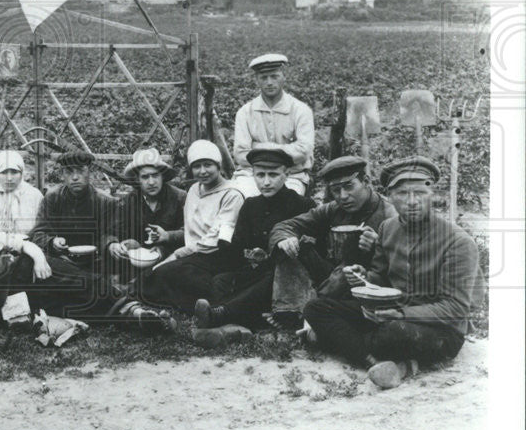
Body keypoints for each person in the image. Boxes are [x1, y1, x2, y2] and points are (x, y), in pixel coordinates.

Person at [304, 157, 485, 390]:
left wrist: (399, 314)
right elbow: (380, 279)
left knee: (390, 333)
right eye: (402, 193)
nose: (412, 202)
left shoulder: (457, 241)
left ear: (433, 194)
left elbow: (455, 308)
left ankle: (341, 342)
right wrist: (364, 278)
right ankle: (376, 362)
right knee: (315, 308)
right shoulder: (388, 228)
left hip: (439, 329)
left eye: (420, 192)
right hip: (391, 311)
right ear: (390, 196)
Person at [0, 193, 172, 331]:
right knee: (66, 305)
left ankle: (134, 313)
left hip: (20, 277)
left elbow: (21, 242)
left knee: (71, 284)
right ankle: (134, 312)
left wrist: (37, 258)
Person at [192, 146, 315, 342]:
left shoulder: (303, 205)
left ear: (287, 174)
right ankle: (236, 327)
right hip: (254, 271)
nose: (266, 182)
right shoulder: (251, 205)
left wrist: (273, 253)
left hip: (285, 280)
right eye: (260, 175)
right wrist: (245, 252)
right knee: (221, 281)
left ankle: (220, 317)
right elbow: (239, 244)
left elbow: (308, 251)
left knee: (267, 283)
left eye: (273, 174)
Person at [266, 155, 397, 327]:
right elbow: (285, 226)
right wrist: (285, 238)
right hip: (330, 275)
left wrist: (378, 247)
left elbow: (403, 265)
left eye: (349, 186)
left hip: (365, 284)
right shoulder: (334, 209)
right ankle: (289, 312)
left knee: (349, 266)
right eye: (336, 189)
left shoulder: (390, 215)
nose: (343, 196)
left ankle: (307, 313)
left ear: (365, 181)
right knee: (289, 247)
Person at [140, 140, 245, 313]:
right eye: (197, 166)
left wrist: (177, 255)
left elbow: (215, 238)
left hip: (219, 254)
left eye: (208, 165)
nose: (202, 171)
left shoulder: (232, 194)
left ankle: (208, 302)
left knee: (168, 273)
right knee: (155, 274)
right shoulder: (194, 190)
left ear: (218, 166)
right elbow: (191, 231)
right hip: (194, 254)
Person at [232, 54, 314, 197]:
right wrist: (284, 150)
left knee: (287, 202)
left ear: (283, 77)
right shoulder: (245, 112)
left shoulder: (301, 110)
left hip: (291, 175)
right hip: (251, 175)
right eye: (264, 77)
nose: (269, 82)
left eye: (274, 76)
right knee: (239, 197)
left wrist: (258, 147)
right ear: (257, 80)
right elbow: (240, 154)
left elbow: (303, 151)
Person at [28, 149, 120, 273]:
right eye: (69, 172)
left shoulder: (105, 201)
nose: (75, 177)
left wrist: (111, 243)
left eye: (81, 171)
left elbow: (110, 233)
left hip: (96, 261)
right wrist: (52, 242)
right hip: (62, 260)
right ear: (62, 174)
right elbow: (38, 233)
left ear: (90, 172)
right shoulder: (52, 198)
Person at [108, 148, 187, 274]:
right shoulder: (127, 201)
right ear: (137, 180)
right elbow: (111, 232)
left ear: (163, 176)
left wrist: (167, 237)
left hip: (172, 259)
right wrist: (113, 244)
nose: (151, 182)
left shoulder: (180, 198)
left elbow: (191, 233)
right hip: (135, 261)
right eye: (145, 177)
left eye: (155, 175)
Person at [0, 150, 44, 247]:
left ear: (22, 172)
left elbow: (41, 229)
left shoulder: (34, 195)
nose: (9, 178)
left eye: (14, 172)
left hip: (29, 247)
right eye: (4, 172)